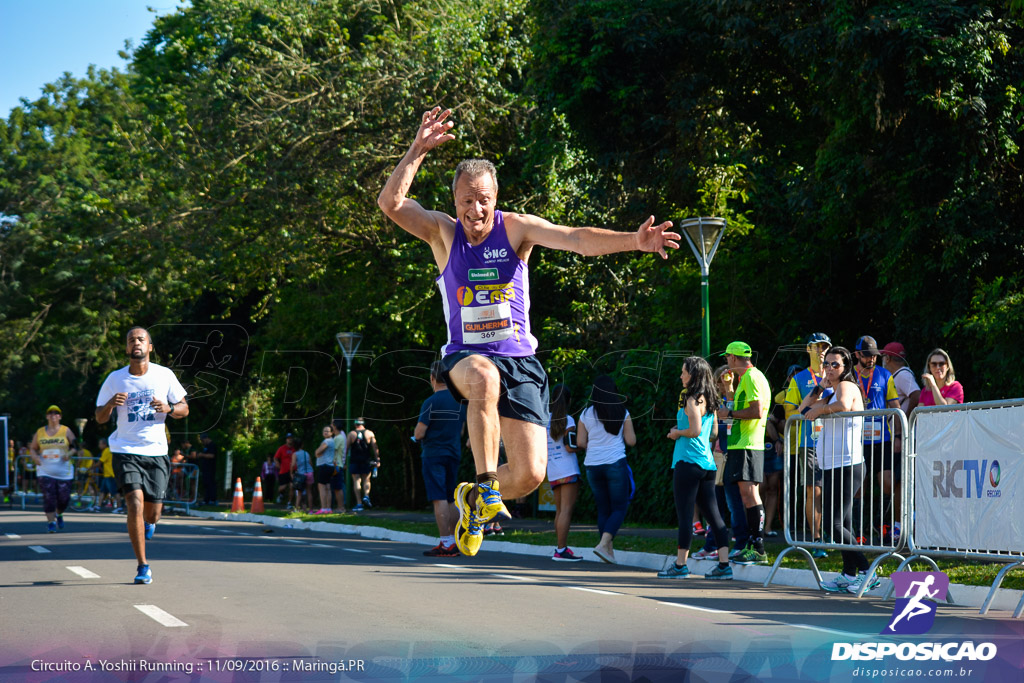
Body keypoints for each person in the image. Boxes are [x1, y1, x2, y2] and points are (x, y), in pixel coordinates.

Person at [377, 106, 680, 556]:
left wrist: (634, 241)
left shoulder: (515, 228)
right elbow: (392, 204)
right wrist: (417, 149)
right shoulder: (442, 233)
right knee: (483, 377)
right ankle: (484, 487)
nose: (475, 209)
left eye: (483, 199)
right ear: (454, 201)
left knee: (531, 473)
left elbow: (575, 238)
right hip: (465, 357)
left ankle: (475, 498)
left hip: (520, 360)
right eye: (465, 200)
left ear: (495, 198)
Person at [95, 326, 189, 585]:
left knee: (153, 514)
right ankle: (143, 566)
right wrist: (111, 404)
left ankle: (149, 523)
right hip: (125, 449)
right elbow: (99, 417)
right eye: (131, 340)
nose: (135, 343)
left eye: (141, 339)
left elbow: (184, 408)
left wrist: (169, 408)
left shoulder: (164, 375)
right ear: (126, 349)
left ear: (150, 347)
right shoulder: (115, 379)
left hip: (156, 452)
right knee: (134, 502)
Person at [798, 345, 879, 594]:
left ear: (846, 368)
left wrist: (820, 409)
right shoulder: (830, 391)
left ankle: (867, 571)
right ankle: (848, 573)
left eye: (836, 364)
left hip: (848, 463)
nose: (830, 369)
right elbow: (803, 409)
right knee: (843, 523)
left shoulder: (846, 386)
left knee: (833, 524)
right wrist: (820, 387)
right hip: (833, 463)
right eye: (827, 364)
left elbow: (843, 406)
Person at [659, 357, 733, 580]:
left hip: (688, 463)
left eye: (684, 372)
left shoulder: (691, 399)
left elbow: (694, 430)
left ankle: (681, 565)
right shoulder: (709, 399)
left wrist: (677, 433)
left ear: (694, 375)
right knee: (714, 516)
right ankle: (724, 565)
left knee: (684, 516)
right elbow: (713, 434)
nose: (681, 376)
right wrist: (683, 429)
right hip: (707, 464)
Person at [716, 341, 771, 566]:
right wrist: (729, 393)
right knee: (747, 495)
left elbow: (756, 411)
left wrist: (728, 411)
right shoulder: (746, 378)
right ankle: (752, 544)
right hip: (742, 444)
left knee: (750, 495)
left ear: (733, 358)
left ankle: (758, 547)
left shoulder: (750, 377)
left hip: (748, 444)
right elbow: (740, 411)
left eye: (727, 357)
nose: (726, 361)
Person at [577, 375, 636, 564]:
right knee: (619, 507)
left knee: (603, 509)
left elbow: (580, 442)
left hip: (592, 466)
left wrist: (595, 448)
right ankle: (603, 544)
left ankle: (607, 551)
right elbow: (631, 441)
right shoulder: (623, 412)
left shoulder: (586, 414)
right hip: (615, 463)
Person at [782, 333, 831, 556]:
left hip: (835, 440)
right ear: (808, 350)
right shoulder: (799, 379)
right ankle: (817, 538)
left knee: (835, 489)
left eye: (825, 347)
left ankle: (836, 533)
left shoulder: (836, 374)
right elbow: (790, 411)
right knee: (814, 489)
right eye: (817, 346)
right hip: (809, 441)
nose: (821, 350)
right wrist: (813, 410)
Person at [415, 361, 468, 557]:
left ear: (432, 378)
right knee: (450, 498)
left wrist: (417, 434)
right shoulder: (459, 402)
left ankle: (446, 542)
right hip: (453, 453)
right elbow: (461, 432)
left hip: (433, 454)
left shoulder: (431, 401)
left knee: (438, 499)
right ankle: (453, 539)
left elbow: (420, 432)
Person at [852, 335, 900, 544]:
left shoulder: (885, 375)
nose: (871, 359)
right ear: (857, 355)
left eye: (874, 356)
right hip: (856, 439)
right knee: (858, 486)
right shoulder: (849, 376)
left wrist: (898, 434)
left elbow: (895, 407)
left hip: (882, 439)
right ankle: (859, 532)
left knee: (887, 482)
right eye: (867, 355)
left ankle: (884, 527)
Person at [546, 384, 582, 561]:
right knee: (567, 510)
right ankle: (561, 550)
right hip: (568, 468)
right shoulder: (568, 420)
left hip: (552, 470)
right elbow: (569, 447)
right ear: (569, 400)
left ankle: (559, 548)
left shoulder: (544, 420)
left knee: (559, 511)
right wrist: (583, 445)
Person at [29, 405, 77, 532]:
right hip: (45, 469)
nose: (53, 415)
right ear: (46, 416)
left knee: (63, 499)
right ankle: (51, 522)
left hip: (64, 471)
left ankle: (59, 513)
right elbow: (33, 448)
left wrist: (69, 454)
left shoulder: (66, 430)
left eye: (56, 413)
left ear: (60, 416)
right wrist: (35, 458)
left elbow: (75, 447)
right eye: (50, 413)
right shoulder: (40, 432)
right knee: (49, 497)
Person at [346, 418, 379, 512]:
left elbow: (346, 448)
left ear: (355, 424)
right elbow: (375, 447)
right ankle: (366, 496)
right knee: (366, 479)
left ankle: (359, 503)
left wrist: (343, 461)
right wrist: (377, 459)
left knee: (356, 481)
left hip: (354, 461)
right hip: (366, 460)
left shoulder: (352, 434)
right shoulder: (369, 433)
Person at [881, 342, 922, 414]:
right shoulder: (899, 374)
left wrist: (906, 418)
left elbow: (916, 395)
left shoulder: (903, 375)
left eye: (883, 356)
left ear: (887, 358)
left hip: (901, 424)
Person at [314, 425, 336, 514]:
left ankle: (323, 508)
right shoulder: (333, 441)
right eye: (324, 431)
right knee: (327, 487)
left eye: (327, 431)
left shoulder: (327, 441)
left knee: (322, 487)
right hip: (330, 466)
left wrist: (317, 453)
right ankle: (328, 508)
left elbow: (317, 452)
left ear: (332, 432)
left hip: (324, 465)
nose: (325, 432)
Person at [191, 433, 219, 505]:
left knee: (211, 484)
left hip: (211, 468)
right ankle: (206, 499)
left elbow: (212, 455)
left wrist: (201, 455)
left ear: (207, 438)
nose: (202, 442)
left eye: (203, 440)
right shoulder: (205, 446)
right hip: (205, 468)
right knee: (206, 484)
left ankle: (212, 499)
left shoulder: (212, 445)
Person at [95, 438, 120, 511]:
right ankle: (98, 506)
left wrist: (89, 468)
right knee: (103, 491)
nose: (99, 445)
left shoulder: (106, 451)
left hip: (110, 475)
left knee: (114, 492)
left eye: (100, 444)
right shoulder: (109, 450)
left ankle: (119, 507)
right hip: (107, 475)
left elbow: (99, 462)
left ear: (104, 444)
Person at [291, 437, 314, 512]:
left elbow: (293, 464)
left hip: (301, 474)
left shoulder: (295, 454)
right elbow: (310, 463)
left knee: (299, 493)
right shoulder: (306, 453)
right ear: (302, 445)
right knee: (309, 492)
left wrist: (291, 472)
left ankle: (297, 509)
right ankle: (310, 510)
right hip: (310, 473)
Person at [330, 420, 347, 513]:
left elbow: (332, 450)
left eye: (332, 425)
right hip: (338, 465)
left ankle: (341, 507)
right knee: (336, 487)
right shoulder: (339, 437)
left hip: (337, 465)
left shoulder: (338, 438)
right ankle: (340, 507)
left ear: (335, 426)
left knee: (337, 488)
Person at [273, 434, 296, 505]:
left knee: (292, 486)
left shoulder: (295, 448)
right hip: (283, 471)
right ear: (286, 440)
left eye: (291, 438)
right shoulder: (282, 448)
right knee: (283, 487)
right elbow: (276, 457)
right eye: (288, 438)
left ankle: (289, 502)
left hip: (293, 470)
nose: (290, 440)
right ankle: (280, 494)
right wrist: (277, 463)